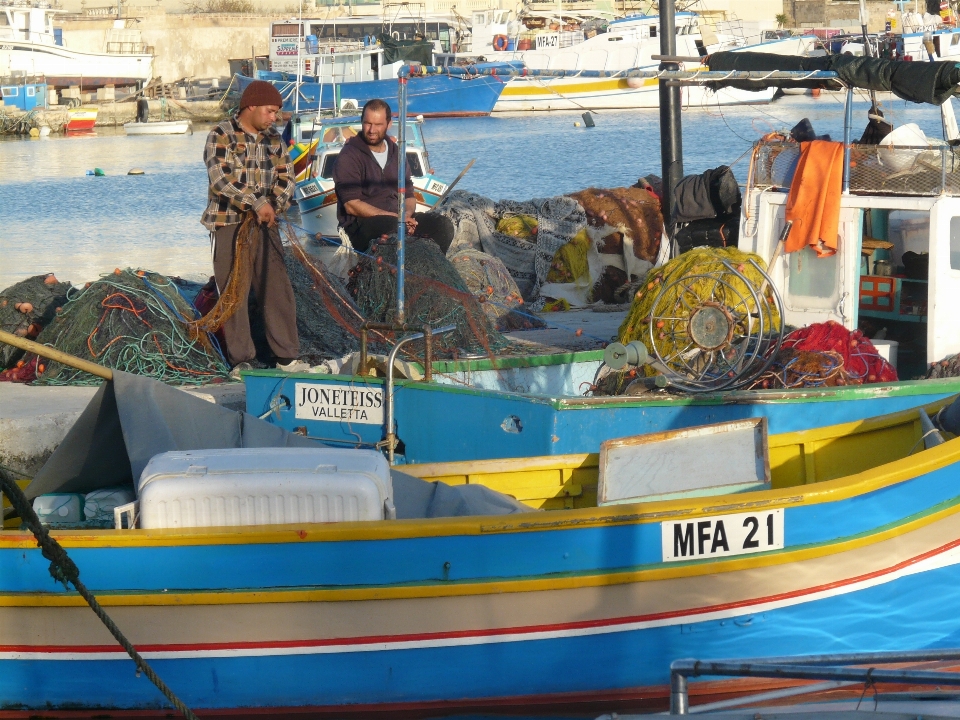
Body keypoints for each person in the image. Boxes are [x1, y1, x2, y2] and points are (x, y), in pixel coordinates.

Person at [202, 80, 309, 377]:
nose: (274, 117)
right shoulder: (220, 135)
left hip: (266, 225)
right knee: (234, 292)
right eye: (270, 111)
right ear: (251, 106)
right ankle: (242, 360)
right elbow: (221, 180)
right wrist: (256, 202)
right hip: (228, 225)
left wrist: (273, 205)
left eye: (276, 112)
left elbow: (288, 179)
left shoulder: (274, 139)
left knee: (277, 289)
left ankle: (286, 357)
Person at [332, 98, 454, 254]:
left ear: (388, 124)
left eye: (378, 125)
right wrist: (396, 218)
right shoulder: (349, 156)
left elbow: (409, 193)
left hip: (398, 219)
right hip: (361, 225)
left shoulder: (396, 152)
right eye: (368, 123)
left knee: (442, 225)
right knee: (394, 229)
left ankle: (425, 270)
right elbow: (351, 205)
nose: (371, 130)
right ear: (361, 122)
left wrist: (407, 215)